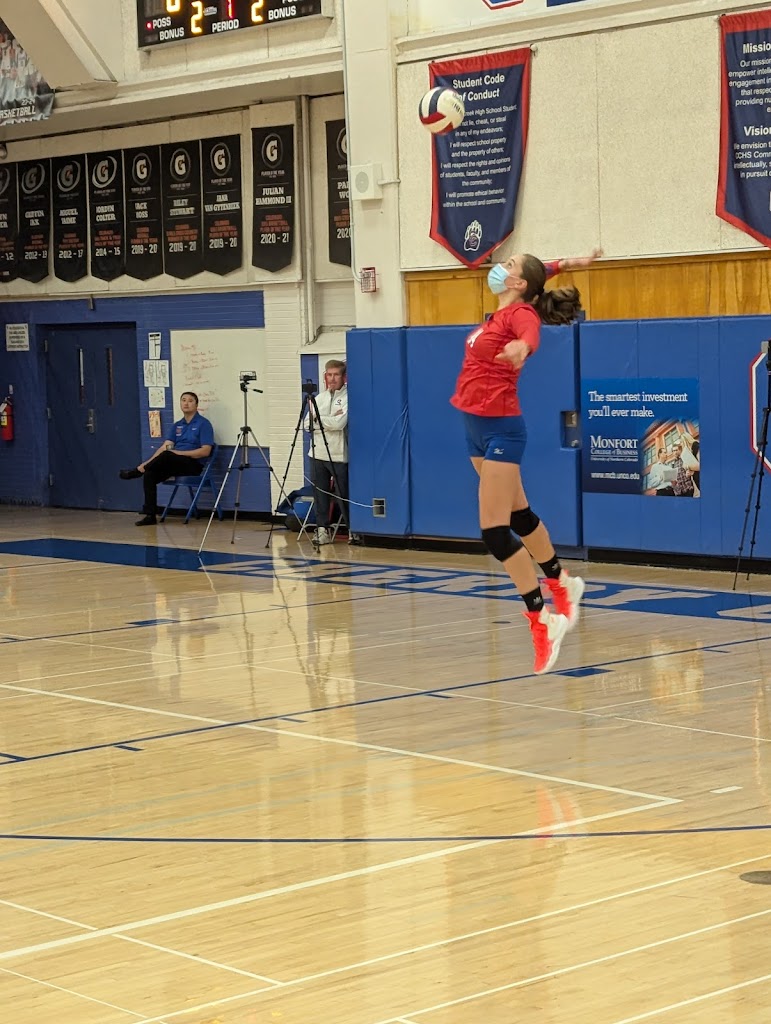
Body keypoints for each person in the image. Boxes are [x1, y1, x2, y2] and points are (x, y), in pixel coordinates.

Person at [451, 249, 601, 674]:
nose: (501, 267)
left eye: (510, 265)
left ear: (518, 284)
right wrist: (569, 263)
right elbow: (542, 271)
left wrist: (523, 347)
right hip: (475, 427)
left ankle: (542, 619)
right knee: (519, 515)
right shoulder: (507, 306)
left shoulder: (520, 314)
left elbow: (531, 331)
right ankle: (561, 581)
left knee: (495, 534)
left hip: (501, 428)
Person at [120, 391, 214, 526]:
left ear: (196, 405)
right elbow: (165, 447)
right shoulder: (177, 425)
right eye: (183, 400)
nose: (186, 403)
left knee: (167, 454)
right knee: (150, 474)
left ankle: (136, 472)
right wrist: (145, 464)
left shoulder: (203, 424)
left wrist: (179, 453)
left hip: (192, 464)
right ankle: (150, 515)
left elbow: (205, 451)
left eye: (190, 401)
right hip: (174, 462)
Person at [305, 359, 348, 545]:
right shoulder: (319, 398)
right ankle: (322, 530)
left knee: (343, 495)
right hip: (317, 453)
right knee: (320, 495)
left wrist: (318, 419)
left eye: (336, 374)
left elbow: (340, 424)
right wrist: (327, 419)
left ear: (343, 377)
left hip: (339, 455)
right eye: (329, 375)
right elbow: (307, 425)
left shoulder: (348, 397)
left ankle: (353, 530)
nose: (332, 378)